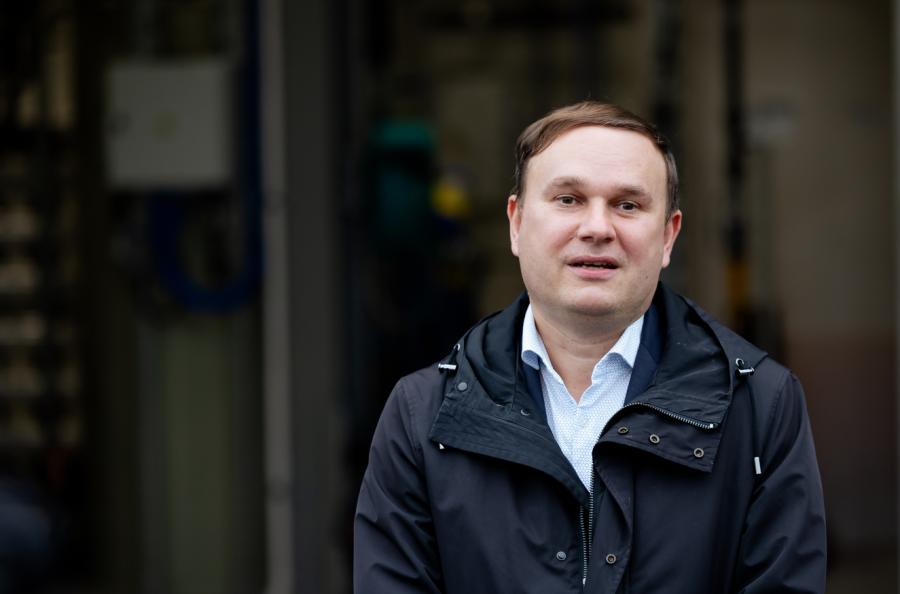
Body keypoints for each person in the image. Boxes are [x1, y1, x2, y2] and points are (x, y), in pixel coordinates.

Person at [354, 101, 826, 593]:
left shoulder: (761, 406)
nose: (597, 228)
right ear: (516, 223)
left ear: (668, 236)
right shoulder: (421, 417)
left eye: (628, 205)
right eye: (568, 199)